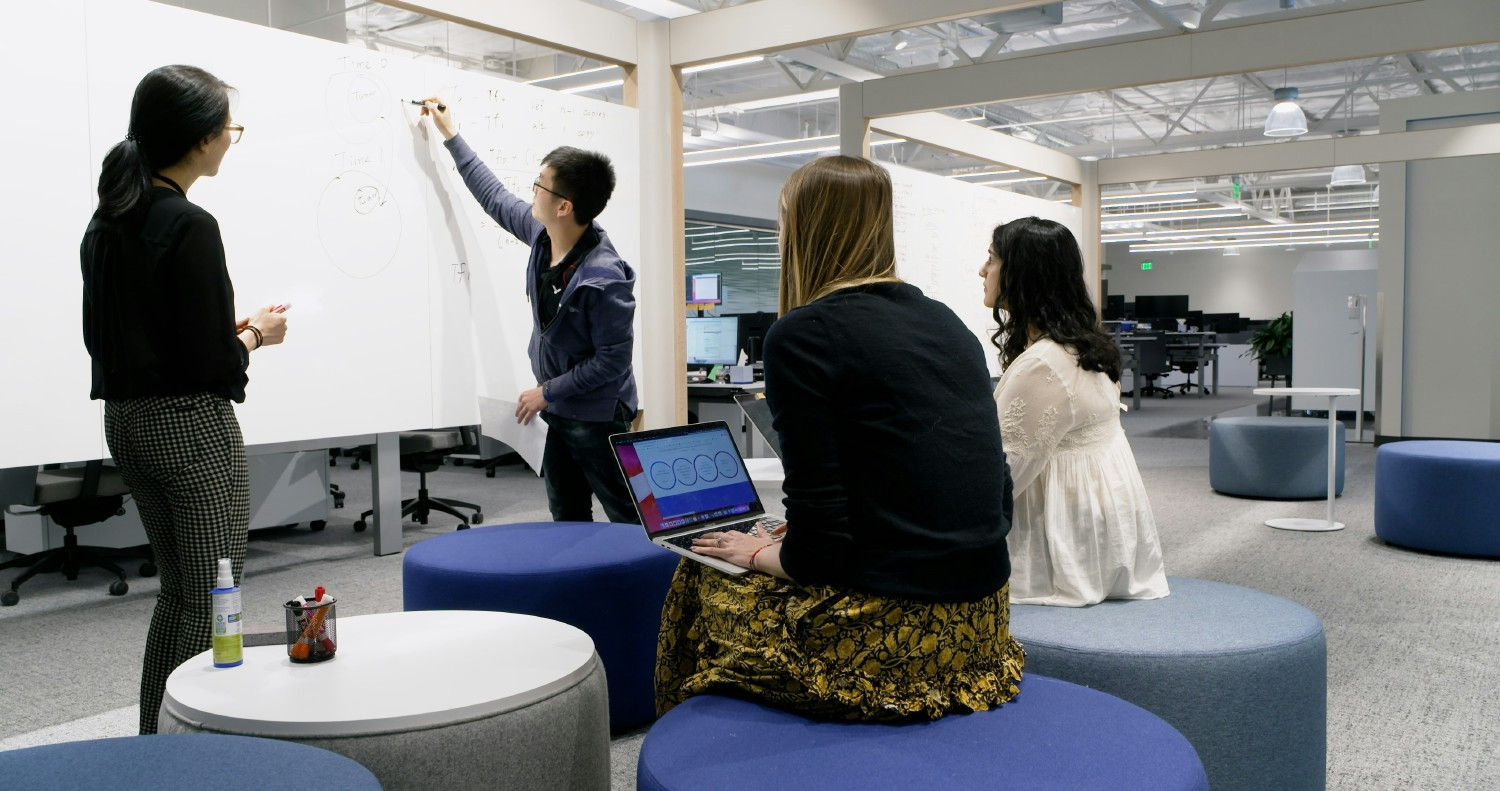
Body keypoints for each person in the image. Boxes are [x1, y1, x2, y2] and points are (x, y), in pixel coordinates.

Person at [657, 156, 1024, 722]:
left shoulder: (802, 337)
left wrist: (760, 552)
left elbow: (819, 554)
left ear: (803, 229)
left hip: (890, 639)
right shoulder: (948, 323)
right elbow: (982, 489)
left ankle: (701, 749)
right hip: (983, 620)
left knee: (699, 573)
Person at [81, 65, 288, 733]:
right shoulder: (189, 223)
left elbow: (125, 336)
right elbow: (213, 366)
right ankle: (191, 748)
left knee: (180, 592)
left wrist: (221, 338)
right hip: (190, 428)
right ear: (201, 139)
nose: (232, 139)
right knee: (213, 594)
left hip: (128, 422)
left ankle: (155, 738)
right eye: (229, 128)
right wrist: (257, 334)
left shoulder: (108, 219)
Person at [417, 99, 639, 525]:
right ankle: (580, 587)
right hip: (558, 409)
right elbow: (495, 197)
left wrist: (547, 392)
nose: (532, 191)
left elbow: (612, 362)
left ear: (565, 206)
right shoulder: (543, 235)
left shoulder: (604, 279)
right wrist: (451, 136)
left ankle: (648, 589)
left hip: (597, 413)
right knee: (567, 513)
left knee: (627, 516)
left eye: (541, 185)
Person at [981, 216, 1169, 607]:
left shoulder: (1043, 365)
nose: (982, 270)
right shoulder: (1080, 347)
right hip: (1103, 540)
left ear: (1021, 275)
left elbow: (1001, 478)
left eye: (992, 260)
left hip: (1064, 550)